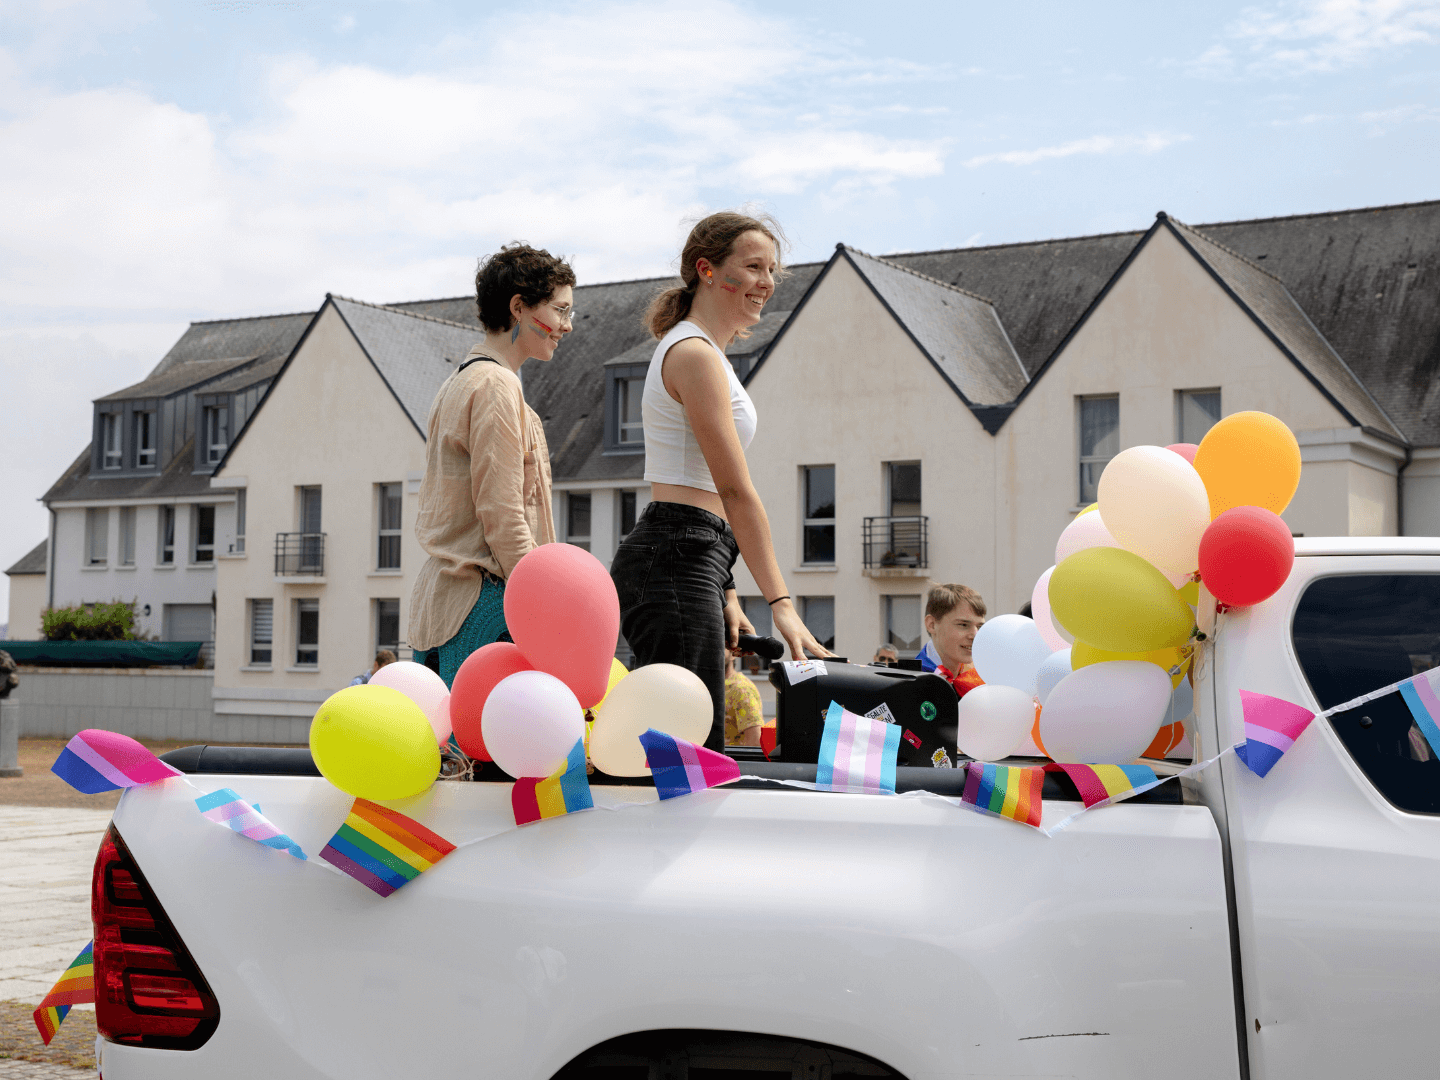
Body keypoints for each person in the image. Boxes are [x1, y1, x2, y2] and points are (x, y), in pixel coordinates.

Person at [610, 211, 832, 751]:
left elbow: (701, 491)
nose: (766, 281)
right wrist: (781, 603)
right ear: (707, 270)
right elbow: (732, 491)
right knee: (689, 753)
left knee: (691, 750)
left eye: (772, 270)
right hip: (677, 556)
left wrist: (727, 587)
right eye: (753, 266)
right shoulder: (693, 354)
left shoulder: (705, 352)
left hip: (692, 555)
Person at [408, 243, 574, 687]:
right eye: (560, 310)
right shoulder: (497, 385)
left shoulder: (460, 380)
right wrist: (539, 601)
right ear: (519, 307)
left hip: (446, 600)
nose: (567, 325)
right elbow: (502, 514)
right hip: (485, 604)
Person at [924, 583, 987, 699]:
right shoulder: (908, 683)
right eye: (963, 625)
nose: (975, 635)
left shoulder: (983, 677)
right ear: (932, 625)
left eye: (979, 626)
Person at [724, 653, 764, 747]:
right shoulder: (709, 686)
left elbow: (755, 743)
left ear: (733, 652)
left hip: (728, 757)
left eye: (720, 646)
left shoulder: (742, 689)